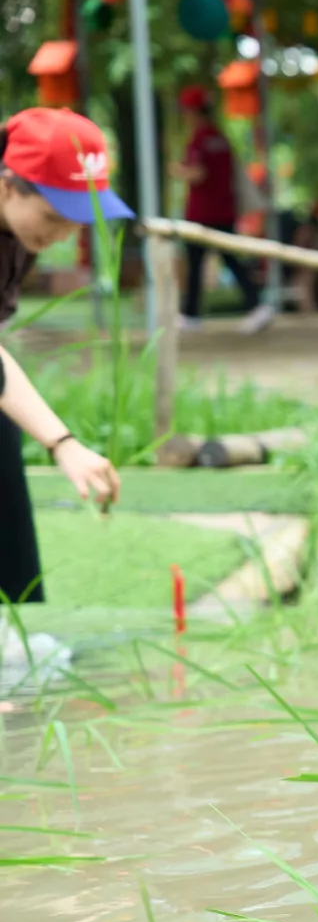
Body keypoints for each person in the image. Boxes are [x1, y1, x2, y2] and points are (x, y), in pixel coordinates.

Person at [0, 109, 127, 604]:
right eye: (53, 217)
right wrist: (63, 443)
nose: (59, 236)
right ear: (8, 184)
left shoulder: (19, 229)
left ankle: (20, 626)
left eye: (74, 222)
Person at [173, 85, 272, 335]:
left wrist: (178, 171)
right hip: (224, 211)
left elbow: (198, 174)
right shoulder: (220, 137)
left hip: (202, 214)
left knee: (197, 264)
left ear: (193, 112)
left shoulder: (199, 139)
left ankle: (191, 314)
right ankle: (254, 304)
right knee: (231, 259)